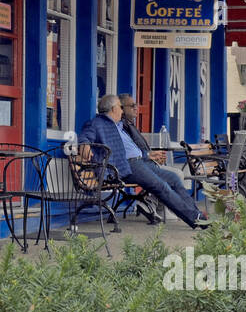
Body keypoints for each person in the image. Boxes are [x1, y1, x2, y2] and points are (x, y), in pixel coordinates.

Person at [79, 94, 209, 228]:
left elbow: (129, 148)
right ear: (113, 109)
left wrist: (147, 155)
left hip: (140, 161)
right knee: (161, 186)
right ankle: (196, 218)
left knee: (174, 178)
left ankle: (197, 214)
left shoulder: (119, 125)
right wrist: (85, 144)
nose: (122, 110)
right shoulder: (97, 123)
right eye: (120, 107)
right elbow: (86, 136)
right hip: (126, 166)